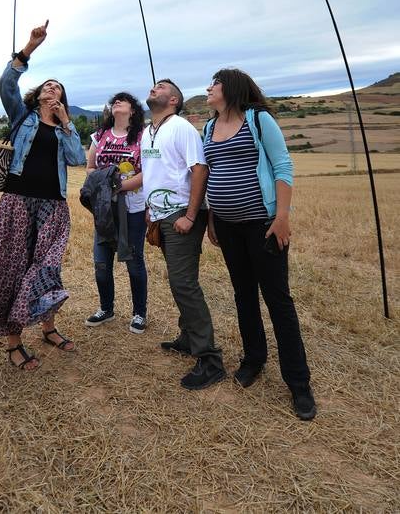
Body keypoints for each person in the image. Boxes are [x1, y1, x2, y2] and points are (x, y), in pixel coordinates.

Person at [0, 21, 86, 371]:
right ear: (39, 93)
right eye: (48, 85)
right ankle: (14, 341)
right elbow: (7, 82)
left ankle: (47, 327)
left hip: (53, 206)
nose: (53, 89)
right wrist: (30, 47)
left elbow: (78, 160)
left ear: (63, 99)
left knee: (47, 268)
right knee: (12, 267)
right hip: (18, 202)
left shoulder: (64, 126)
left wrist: (66, 123)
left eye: (59, 88)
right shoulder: (23, 116)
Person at [203, 68, 316, 421]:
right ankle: (254, 359)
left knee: (278, 299)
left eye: (214, 83)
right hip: (226, 225)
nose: (208, 88)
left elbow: (283, 167)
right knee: (243, 294)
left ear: (231, 88)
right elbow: (212, 173)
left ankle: (298, 383)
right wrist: (211, 219)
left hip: (262, 226)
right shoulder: (208, 127)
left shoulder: (258, 119)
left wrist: (281, 217)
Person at [141, 79, 226, 390]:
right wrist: (149, 206)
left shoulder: (181, 127)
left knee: (184, 282)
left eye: (161, 86)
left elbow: (199, 169)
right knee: (179, 279)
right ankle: (189, 338)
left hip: (181, 215)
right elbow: (153, 172)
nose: (154, 87)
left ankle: (210, 358)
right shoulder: (148, 132)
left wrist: (191, 215)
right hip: (161, 214)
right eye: (153, 84)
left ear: (174, 99)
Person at [84, 92, 147, 334]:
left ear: (133, 110)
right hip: (105, 208)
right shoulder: (100, 136)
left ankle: (139, 313)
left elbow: (147, 172)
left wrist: (117, 185)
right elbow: (90, 168)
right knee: (101, 262)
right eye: (114, 101)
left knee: (133, 262)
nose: (116, 103)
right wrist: (105, 181)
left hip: (132, 208)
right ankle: (106, 309)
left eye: (123, 100)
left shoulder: (143, 136)